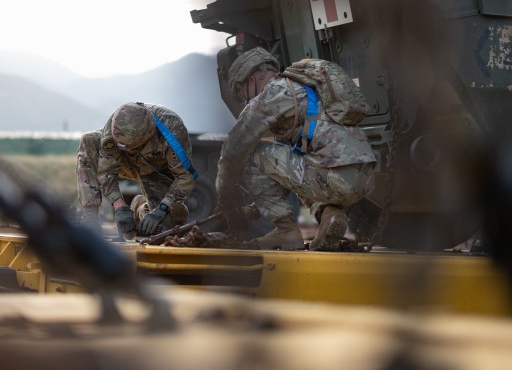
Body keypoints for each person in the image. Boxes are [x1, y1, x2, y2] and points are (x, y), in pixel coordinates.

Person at [215, 47, 376, 251]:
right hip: (364, 179)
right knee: (299, 159)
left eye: (241, 93)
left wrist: (226, 201)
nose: (245, 101)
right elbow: (287, 177)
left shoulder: (271, 94)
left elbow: (232, 151)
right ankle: (329, 214)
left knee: (253, 154)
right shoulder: (305, 87)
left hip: (333, 177)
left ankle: (286, 232)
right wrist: (254, 209)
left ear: (251, 80)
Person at [76, 102, 196, 239]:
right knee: (88, 140)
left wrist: (162, 209)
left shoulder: (173, 130)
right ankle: (89, 218)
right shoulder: (115, 127)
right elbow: (106, 172)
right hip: (124, 163)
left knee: (169, 223)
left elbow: (185, 178)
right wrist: (119, 207)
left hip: (155, 171)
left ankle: (140, 208)